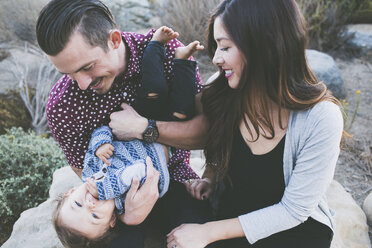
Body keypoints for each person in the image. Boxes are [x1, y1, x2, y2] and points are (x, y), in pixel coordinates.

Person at [111, 0, 344, 247]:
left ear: (263, 44)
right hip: (232, 218)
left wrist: (207, 232)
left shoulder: (320, 117)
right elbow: (209, 137)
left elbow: (293, 211)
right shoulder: (224, 88)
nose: (216, 58)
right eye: (217, 47)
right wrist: (210, 175)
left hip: (291, 232)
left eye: (225, 47)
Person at [36, 0, 213, 247]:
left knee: (202, 230)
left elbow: (205, 132)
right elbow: (83, 170)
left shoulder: (163, 49)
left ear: (115, 40)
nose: (82, 84)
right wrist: (127, 215)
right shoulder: (62, 105)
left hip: (174, 177)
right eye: (69, 74)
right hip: (112, 200)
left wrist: (145, 128)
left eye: (87, 68)